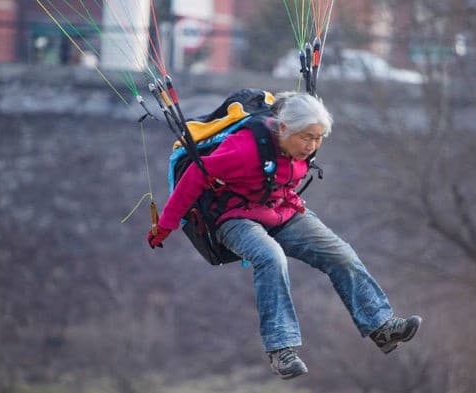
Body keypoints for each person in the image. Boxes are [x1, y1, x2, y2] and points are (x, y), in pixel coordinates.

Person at [147, 91, 422, 380]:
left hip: (279, 211)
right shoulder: (243, 150)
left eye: (317, 138)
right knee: (271, 256)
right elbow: (195, 176)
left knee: (340, 253)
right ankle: (281, 350)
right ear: (283, 129)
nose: (312, 145)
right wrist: (166, 225)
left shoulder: (306, 147)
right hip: (234, 218)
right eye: (306, 137)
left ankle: (382, 327)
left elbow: (284, 174)